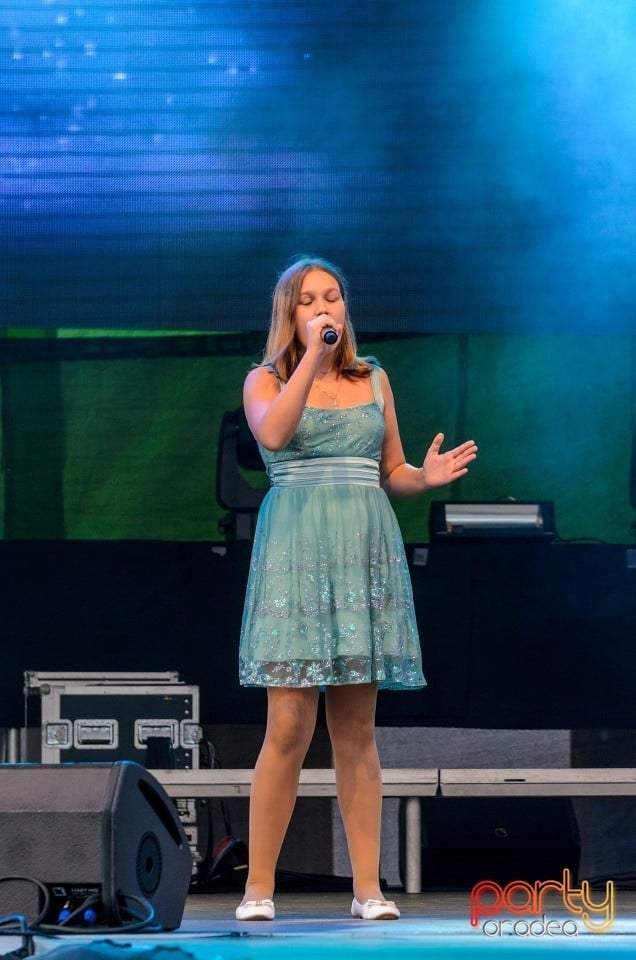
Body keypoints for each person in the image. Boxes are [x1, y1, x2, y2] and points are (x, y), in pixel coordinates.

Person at [236, 256, 477, 922]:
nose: (325, 308)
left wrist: (422, 478)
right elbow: (273, 433)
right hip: (297, 551)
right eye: (309, 300)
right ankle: (258, 887)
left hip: (363, 551)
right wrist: (312, 359)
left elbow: (391, 469)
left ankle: (369, 888)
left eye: (333, 297)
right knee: (288, 725)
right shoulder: (265, 379)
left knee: (356, 729)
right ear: (289, 313)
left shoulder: (374, 378)